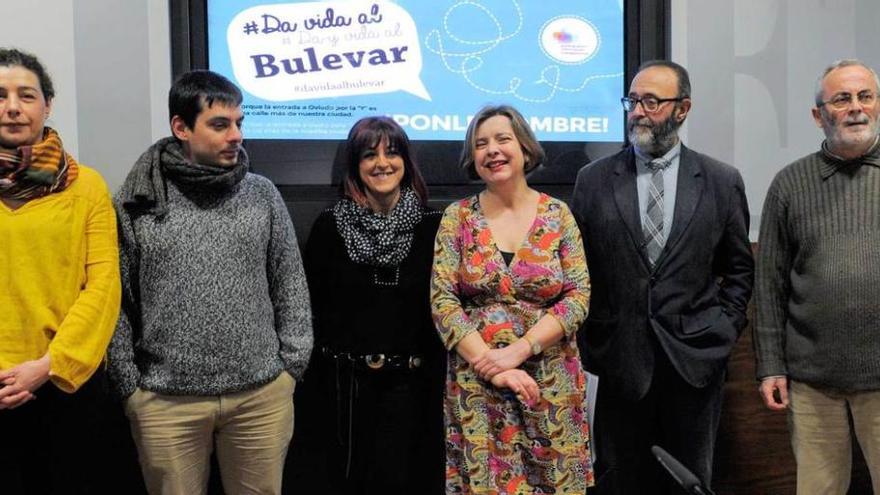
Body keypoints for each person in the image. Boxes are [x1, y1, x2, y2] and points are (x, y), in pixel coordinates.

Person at [106, 70, 313, 495]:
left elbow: (290, 281)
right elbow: (115, 300)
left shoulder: (262, 194)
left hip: (260, 397)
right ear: (181, 127)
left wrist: (290, 368)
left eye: (239, 122)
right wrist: (130, 386)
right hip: (165, 401)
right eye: (220, 124)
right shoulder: (137, 199)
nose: (235, 135)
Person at [571, 60, 753, 494]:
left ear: (683, 108)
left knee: (688, 485)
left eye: (651, 101)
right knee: (620, 482)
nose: (637, 111)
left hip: (693, 366)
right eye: (632, 100)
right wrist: (595, 340)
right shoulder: (593, 181)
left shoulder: (720, 181)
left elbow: (740, 271)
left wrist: (722, 332)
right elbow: (578, 271)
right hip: (620, 366)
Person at [431, 104, 593, 493]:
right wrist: (495, 367)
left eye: (502, 139)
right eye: (481, 144)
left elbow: (578, 297)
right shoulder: (458, 218)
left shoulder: (558, 214)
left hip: (550, 384)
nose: (492, 150)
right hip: (478, 388)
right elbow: (443, 302)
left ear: (524, 147)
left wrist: (519, 351)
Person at [289, 116, 445, 494]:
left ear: (406, 161)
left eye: (392, 153)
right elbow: (311, 308)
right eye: (369, 155)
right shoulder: (329, 226)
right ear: (354, 166)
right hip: (345, 395)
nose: (382, 163)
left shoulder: (435, 225)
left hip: (416, 392)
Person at [754, 59, 880, 494]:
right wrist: (770, 365)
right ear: (818, 115)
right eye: (842, 99)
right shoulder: (789, 184)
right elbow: (769, 284)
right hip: (812, 384)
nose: (856, 108)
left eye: (865, 96)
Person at [0, 47, 121, 493]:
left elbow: (103, 284)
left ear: (46, 105)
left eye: (26, 95)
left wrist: (49, 365)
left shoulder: (86, 185)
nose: (12, 107)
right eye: (0, 95)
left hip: (65, 386)